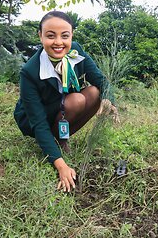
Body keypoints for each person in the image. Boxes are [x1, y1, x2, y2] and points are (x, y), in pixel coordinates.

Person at [13, 10, 119, 193]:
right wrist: (61, 165)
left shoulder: (76, 51)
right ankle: (56, 143)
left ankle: (61, 138)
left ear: (72, 35)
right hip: (37, 117)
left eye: (65, 36)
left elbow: (101, 81)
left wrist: (111, 101)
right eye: (50, 36)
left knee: (94, 93)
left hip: (63, 107)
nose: (58, 42)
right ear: (40, 36)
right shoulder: (29, 72)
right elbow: (37, 122)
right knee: (77, 100)